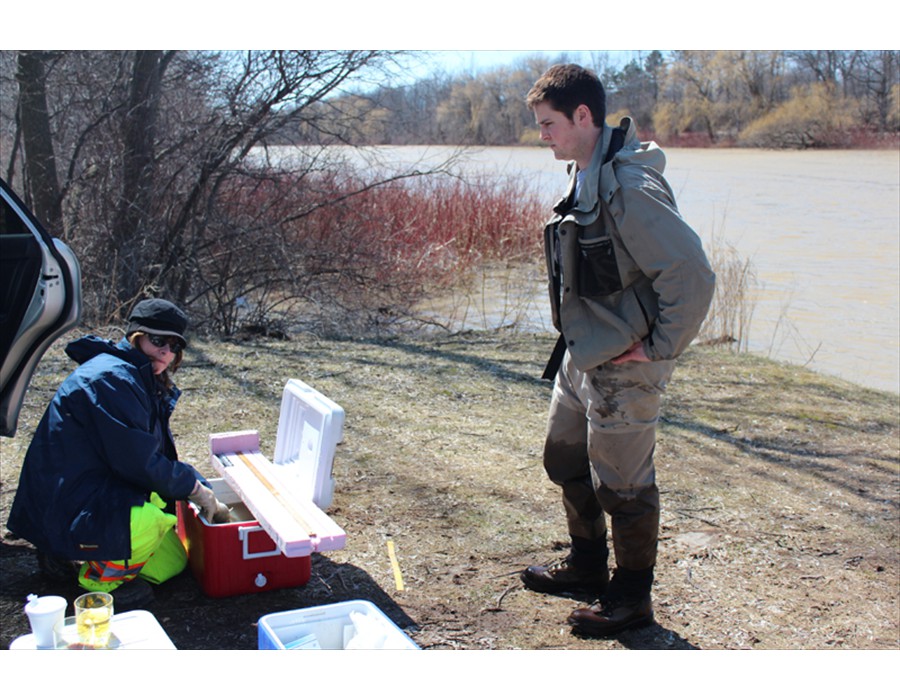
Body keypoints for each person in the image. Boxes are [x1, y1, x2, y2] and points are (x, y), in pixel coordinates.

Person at [520, 64, 716, 636]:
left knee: (624, 488)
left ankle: (631, 600)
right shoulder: (587, 170)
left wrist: (658, 347)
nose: (542, 136)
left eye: (549, 124)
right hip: (584, 357)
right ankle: (586, 567)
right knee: (564, 462)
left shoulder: (630, 184)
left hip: (625, 367)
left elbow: (692, 274)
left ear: (584, 116)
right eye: (539, 125)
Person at [7, 298, 230, 608]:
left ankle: (75, 555)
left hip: (94, 491)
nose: (166, 351)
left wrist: (194, 481)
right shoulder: (111, 380)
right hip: (70, 504)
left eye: (175, 345)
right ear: (135, 336)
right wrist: (195, 490)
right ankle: (91, 578)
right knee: (150, 521)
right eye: (158, 340)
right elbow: (140, 464)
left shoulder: (136, 376)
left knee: (173, 561)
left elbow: (151, 454)